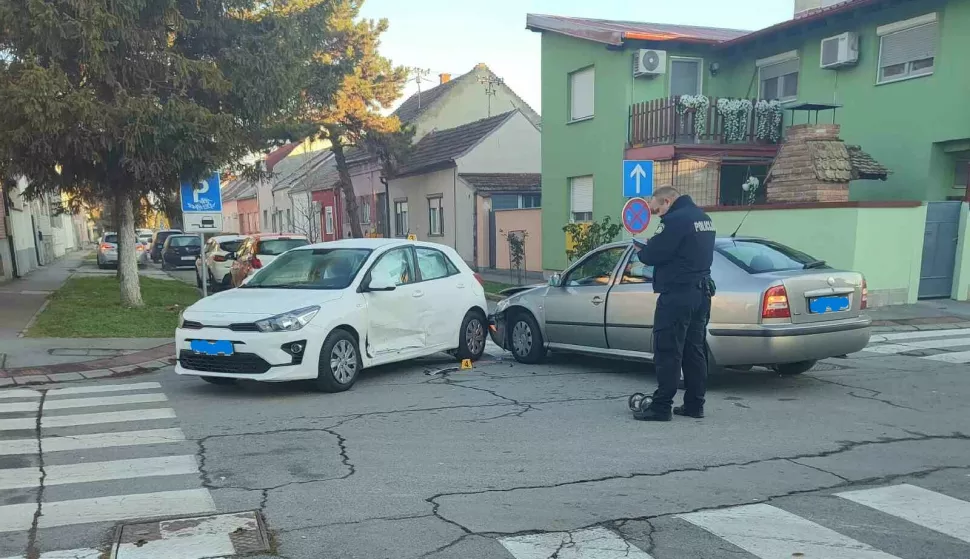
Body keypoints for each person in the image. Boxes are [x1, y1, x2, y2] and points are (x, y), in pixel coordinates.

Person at [631, 186, 716, 421]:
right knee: (694, 351)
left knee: (668, 350)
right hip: (701, 294)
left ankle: (661, 407)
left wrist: (642, 249)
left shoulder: (674, 220)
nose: (659, 215)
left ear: (667, 202)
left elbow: (653, 255)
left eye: (657, 210)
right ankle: (694, 405)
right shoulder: (704, 218)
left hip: (677, 295)